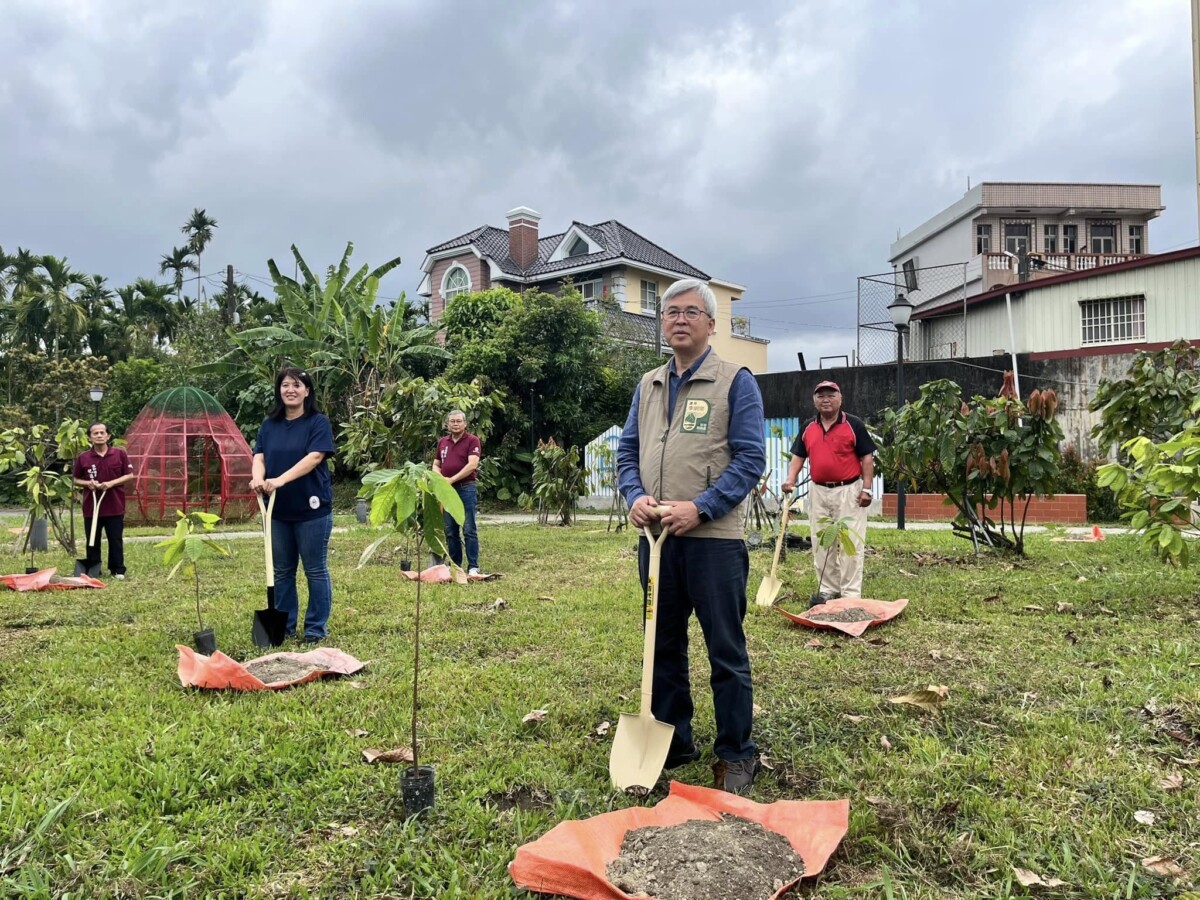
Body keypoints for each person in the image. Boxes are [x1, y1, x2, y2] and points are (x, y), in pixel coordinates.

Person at [617, 277, 767, 794]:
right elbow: (626, 453)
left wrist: (700, 509)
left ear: (710, 323)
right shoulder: (648, 384)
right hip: (657, 542)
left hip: (715, 542)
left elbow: (751, 459)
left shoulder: (735, 382)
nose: (678, 320)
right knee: (661, 645)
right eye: (670, 313)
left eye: (689, 312)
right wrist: (634, 495)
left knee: (725, 647)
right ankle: (674, 739)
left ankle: (736, 752)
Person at [250, 368, 336, 643]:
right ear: (279, 390)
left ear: (307, 391)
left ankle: (314, 629)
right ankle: (284, 626)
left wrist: (280, 480)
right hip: (276, 510)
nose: (290, 390)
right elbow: (259, 455)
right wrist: (258, 479)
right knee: (282, 571)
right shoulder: (269, 424)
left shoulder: (318, 422)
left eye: (297, 385)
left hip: (312, 509)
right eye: (285, 385)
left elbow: (314, 458)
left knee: (315, 569)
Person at [781, 381, 877, 604]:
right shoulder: (808, 427)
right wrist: (790, 480)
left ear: (840, 399)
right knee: (821, 539)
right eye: (820, 396)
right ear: (814, 400)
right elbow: (798, 455)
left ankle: (851, 593)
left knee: (850, 541)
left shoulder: (853, 424)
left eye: (830, 395)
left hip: (849, 490)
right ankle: (828, 588)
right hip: (819, 491)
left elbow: (867, 458)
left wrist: (867, 489)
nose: (825, 399)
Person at [72, 422, 136, 579]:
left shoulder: (119, 454)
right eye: (95, 433)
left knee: (115, 539)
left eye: (102, 433)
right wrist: (89, 483)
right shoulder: (83, 457)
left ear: (108, 436)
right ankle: (94, 569)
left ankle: (117, 570)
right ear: (90, 437)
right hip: (91, 506)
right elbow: (75, 479)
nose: (99, 435)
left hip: (115, 505)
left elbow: (129, 475)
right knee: (92, 539)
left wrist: (111, 483)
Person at [433, 409, 482, 575]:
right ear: (448, 424)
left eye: (458, 421)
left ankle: (473, 566)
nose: (455, 424)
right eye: (452, 421)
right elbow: (436, 464)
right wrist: (441, 480)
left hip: (465, 488)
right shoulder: (443, 442)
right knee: (450, 530)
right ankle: (456, 565)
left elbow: (472, 465)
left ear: (465, 423)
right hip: (447, 491)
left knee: (468, 528)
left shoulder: (472, 441)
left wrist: (452, 479)